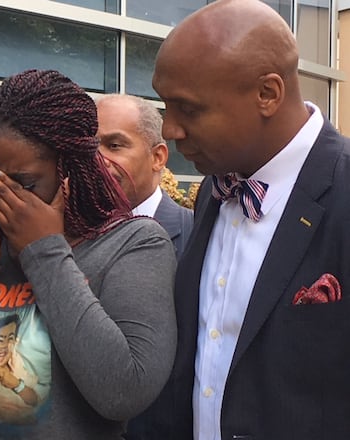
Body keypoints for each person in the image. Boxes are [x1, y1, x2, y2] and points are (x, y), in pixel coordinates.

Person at [0, 69, 177, 439]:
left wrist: (45, 252)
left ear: (73, 169)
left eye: (24, 183)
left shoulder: (135, 243)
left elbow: (124, 392)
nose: (3, 195)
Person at [138, 1, 350, 439]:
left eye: (188, 109)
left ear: (267, 94)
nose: (169, 130)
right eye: (164, 107)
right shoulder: (214, 194)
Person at [96, 94, 193, 258]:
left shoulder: (195, 232)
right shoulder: (65, 231)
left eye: (114, 146)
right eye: (89, 146)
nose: (96, 159)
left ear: (158, 157)